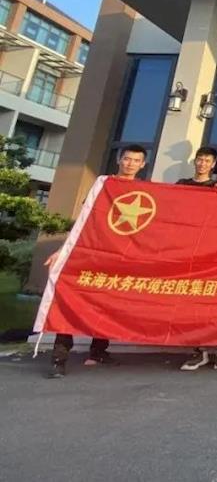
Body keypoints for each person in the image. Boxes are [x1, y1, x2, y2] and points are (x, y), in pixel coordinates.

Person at [47, 144, 148, 379]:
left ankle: (99, 350)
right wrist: (63, 250)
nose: (130, 164)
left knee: (108, 303)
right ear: (119, 160)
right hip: (92, 252)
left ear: (143, 165)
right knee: (70, 298)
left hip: (121, 257)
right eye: (127, 159)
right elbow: (83, 221)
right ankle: (59, 357)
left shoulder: (144, 190)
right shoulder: (103, 184)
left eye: (136, 161)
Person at [178, 146, 217, 371]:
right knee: (194, 302)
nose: (202, 164)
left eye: (207, 161)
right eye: (200, 160)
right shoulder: (181, 185)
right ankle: (199, 350)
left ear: (213, 164)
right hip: (188, 250)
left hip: (216, 250)